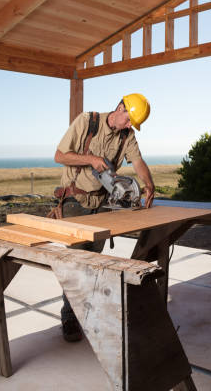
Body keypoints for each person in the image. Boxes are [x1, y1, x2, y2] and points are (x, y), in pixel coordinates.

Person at [52, 93, 155, 341]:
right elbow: (59, 156)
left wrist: (149, 185)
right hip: (75, 202)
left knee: (92, 263)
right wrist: (91, 159)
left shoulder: (127, 136)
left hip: (100, 204)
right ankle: (70, 316)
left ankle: (85, 312)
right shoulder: (87, 122)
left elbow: (138, 162)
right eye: (130, 120)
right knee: (75, 263)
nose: (131, 127)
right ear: (120, 108)